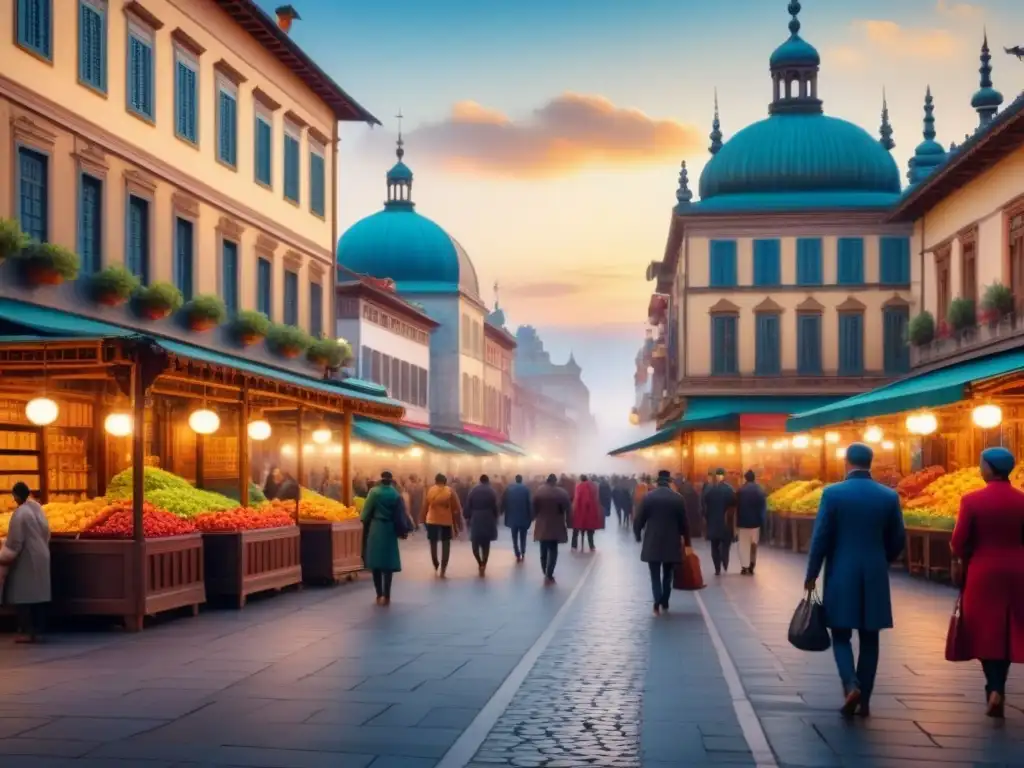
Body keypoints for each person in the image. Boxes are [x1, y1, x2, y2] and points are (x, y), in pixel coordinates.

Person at [805, 443, 905, 718]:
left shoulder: (833, 494)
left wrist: (811, 574)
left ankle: (850, 684)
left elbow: (821, 538)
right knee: (870, 637)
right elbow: (898, 538)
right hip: (874, 571)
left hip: (841, 571)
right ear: (870, 463)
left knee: (840, 633)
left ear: (846, 462)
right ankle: (866, 700)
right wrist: (881, 558)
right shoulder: (888, 496)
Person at [948, 447, 1024, 718]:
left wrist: (961, 556)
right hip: (1017, 571)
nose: (980, 468)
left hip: (982, 572)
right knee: (1007, 628)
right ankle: (998, 686)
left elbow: (958, 542)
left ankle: (993, 688)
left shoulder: (972, 500)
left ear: (990, 468)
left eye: (981, 464)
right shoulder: (1021, 500)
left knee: (984, 629)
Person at [634, 470, 691, 616]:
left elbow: (639, 519)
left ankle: (656, 601)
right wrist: (687, 543)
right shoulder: (678, 499)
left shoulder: (648, 497)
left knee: (654, 574)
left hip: (652, 541)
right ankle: (665, 601)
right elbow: (684, 523)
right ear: (669, 482)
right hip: (671, 542)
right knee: (668, 573)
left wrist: (637, 535)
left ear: (657, 482)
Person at [0, 483, 50, 643]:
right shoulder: (38, 509)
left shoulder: (20, 514)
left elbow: (15, 541)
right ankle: (38, 630)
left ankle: (27, 632)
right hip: (42, 553)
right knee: (38, 594)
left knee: (23, 594)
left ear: (15, 496)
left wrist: (4, 554)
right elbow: (47, 532)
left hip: (26, 557)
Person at [360, 471, 408, 605]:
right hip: (390, 530)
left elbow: (365, 514)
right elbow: (401, 513)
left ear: (380, 480)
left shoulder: (374, 493)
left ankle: (378, 593)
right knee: (388, 563)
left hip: (376, 528)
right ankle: (387, 594)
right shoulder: (395, 494)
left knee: (376, 563)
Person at [533, 474, 572, 584]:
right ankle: (549, 573)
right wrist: (569, 523)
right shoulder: (562, 493)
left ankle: (544, 569)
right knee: (553, 550)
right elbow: (568, 509)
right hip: (556, 524)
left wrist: (532, 517)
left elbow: (534, 508)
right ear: (555, 481)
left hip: (542, 524)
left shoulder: (539, 491)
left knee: (543, 549)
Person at [422, 473, 462, 577]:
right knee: (446, 544)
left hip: (432, 520)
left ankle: (435, 563)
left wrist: (422, 518)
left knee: (433, 542)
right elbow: (456, 507)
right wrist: (457, 522)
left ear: (435, 481)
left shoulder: (430, 490)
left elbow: (425, 506)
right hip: (446, 521)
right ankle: (443, 568)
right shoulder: (450, 491)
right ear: (445, 481)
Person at [465, 474, 500, 576]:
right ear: (488, 481)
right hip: (488, 517)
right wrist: (495, 517)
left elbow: (468, 504)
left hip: (476, 517)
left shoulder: (473, 491)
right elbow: (495, 506)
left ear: (480, 481)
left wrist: (467, 516)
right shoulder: (492, 491)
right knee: (486, 543)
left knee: (475, 542)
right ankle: (484, 563)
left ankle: (479, 562)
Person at [703, 468, 736, 575]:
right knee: (726, 545)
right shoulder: (729, 490)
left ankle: (717, 568)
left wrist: (706, 518)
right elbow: (734, 506)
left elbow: (704, 507)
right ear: (724, 476)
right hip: (726, 523)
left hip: (713, 523)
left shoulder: (709, 490)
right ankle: (725, 561)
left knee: (714, 546)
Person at [736, 470, 767, 575]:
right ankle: (752, 564)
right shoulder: (759, 490)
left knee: (744, 545)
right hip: (755, 523)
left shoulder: (740, 490)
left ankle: (744, 566)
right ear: (754, 478)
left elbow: (737, 506)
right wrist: (762, 522)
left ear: (745, 478)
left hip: (743, 523)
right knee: (753, 544)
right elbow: (763, 507)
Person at [502, 474, 533, 563]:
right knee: (523, 536)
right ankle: (523, 551)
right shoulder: (526, 490)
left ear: (515, 480)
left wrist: (502, 512)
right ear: (521, 480)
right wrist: (531, 516)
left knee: (514, 537)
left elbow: (504, 501)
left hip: (512, 516)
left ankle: (517, 553)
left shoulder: (509, 489)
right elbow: (529, 503)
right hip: (524, 517)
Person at [571, 474, 602, 551]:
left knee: (576, 530)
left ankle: (574, 546)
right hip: (591, 511)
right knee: (590, 530)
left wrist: (573, 509)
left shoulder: (579, 487)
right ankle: (591, 546)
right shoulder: (594, 486)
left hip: (580, 511)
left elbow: (577, 499)